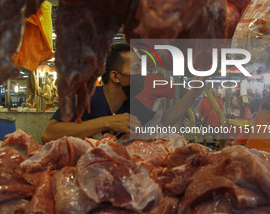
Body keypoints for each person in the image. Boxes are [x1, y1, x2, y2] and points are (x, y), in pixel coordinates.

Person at [42, 43, 202, 143]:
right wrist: (107, 122)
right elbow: (49, 134)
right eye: (136, 69)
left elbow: (163, 121)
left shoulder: (130, 103)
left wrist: (193, 93)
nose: (142, 75)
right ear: (115, 76)